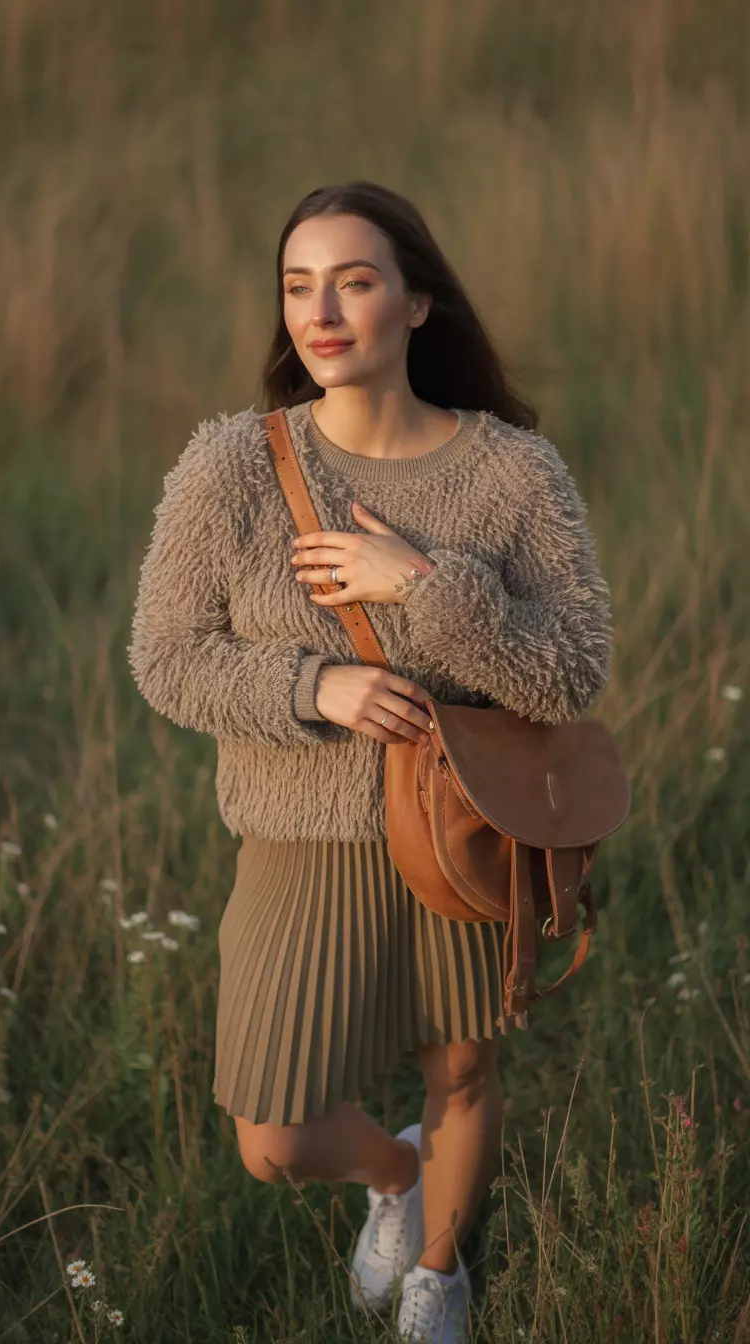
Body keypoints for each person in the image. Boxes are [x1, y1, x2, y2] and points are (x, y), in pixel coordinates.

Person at [128, 180, 613, 1342]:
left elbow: (571, 668)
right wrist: (316, 688)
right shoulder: (233, 467)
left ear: (418, 302)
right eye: (298, 285)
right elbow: (164, 657)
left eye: (354, 280)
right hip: (299, 838)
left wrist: (427, 588)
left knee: (463, 1078)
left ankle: (439, 1274)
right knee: (275, 1139)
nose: (321, 310)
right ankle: (395, 1180)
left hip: (464, 832)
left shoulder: (511, 474)